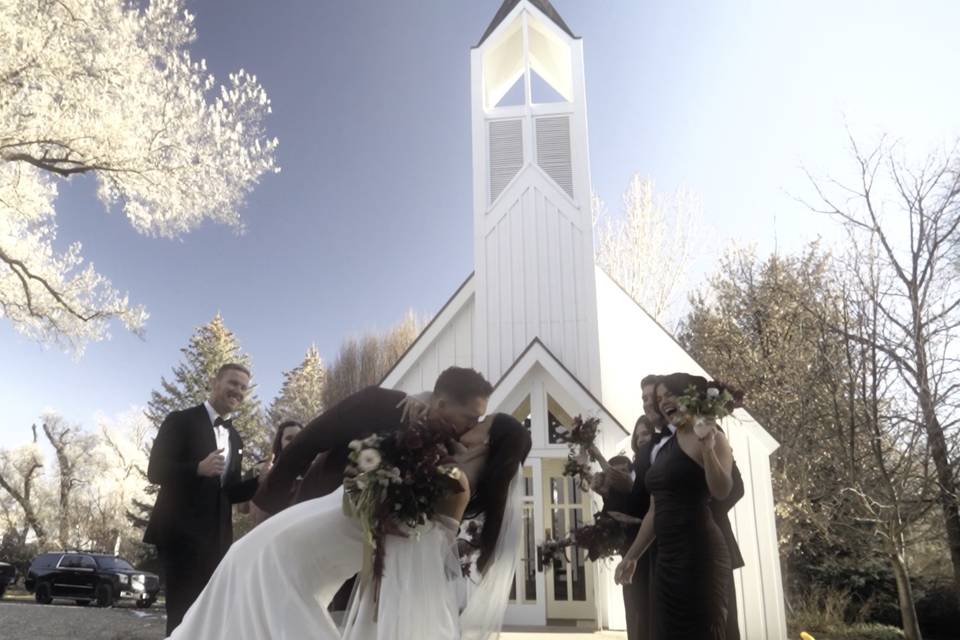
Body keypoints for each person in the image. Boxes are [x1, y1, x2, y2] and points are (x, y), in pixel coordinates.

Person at [168, 367, 510, 639]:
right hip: (311, 513)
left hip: (345, 544)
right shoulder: (383, 403)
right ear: (442, 404)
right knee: (253, 578)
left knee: (276, 593)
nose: (474, 425)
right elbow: (312, 437)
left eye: (479, 421)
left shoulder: (451, 457)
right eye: (471, 417)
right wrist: (269, 499)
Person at [341, 412, 532, 640]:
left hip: (402, 572)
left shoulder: (454, 478)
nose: (475, 422)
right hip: (412, 577)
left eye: (483, 422)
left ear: (486, 440)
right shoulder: (463, 476)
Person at [615, 372, 741, 640]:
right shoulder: (663, 448)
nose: (662, 402)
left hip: (699, 553)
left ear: (690, 395)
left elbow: (722, 490)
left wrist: (707, 448)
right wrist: (632, 556)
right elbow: (654, 510)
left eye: (669, 394)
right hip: (667, 558)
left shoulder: (712, 436)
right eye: (660, 398)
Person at [143, 363, 262, 636]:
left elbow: (230, 491)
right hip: (180, 535)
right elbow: (155, 471)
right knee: (183, 615)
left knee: (212, 615)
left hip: (217, 540)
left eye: (243, 387)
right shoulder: (180, 420)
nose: (238, 391)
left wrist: (259, 481)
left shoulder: (235, 438)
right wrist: (197, 468)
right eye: (233, 383)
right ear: (214, 382)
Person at [244, 420, 303, 525]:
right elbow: (242, 507)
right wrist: (260, 482)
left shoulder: (313, 468)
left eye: (299, 437)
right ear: (280, 443)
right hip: (272, 529)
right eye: (289, 438)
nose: (295, 441)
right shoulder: (261, 468)